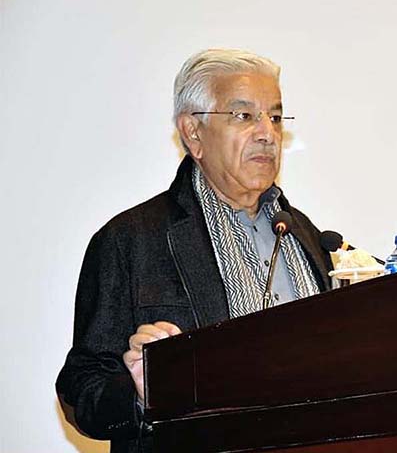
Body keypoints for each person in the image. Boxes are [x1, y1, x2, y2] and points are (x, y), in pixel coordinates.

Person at [56, 49, 333, 453]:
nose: (266, 133)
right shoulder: (131, 240)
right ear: (193, 133)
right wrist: (138, 393)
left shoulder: (304, 236)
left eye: (274, 117)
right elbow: (82, 387)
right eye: (244, 116)